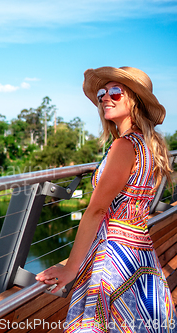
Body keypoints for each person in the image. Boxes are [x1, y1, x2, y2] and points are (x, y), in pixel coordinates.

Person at [36, 66, 176, 332]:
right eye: (102, 93)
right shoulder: (147, 145)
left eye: (116, 92)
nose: (105, 98)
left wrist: (71, 269)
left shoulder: (124, 146)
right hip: (138, 253)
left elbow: (97, 210)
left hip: (112, 257)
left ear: (135, 100)